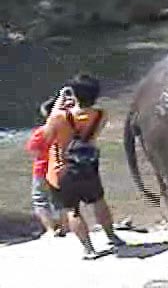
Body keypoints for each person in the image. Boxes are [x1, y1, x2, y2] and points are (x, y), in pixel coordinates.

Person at [43, 74, 125, 259]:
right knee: (98, 201)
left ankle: (89, 249)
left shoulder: (60, 116)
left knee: (73, 210)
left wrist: (59, 102)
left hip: (62, 168)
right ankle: (112, 237)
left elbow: (45, 136)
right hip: (88, 165)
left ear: (74, 94)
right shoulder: (100, 114)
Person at [25, 98, 67, 237]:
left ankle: (50, 230)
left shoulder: (41, 132)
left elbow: (33, 150)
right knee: (59, 199)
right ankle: (64, 227)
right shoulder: (66, 130)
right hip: (60, 169)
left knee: (40, 199)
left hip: (42, 170)